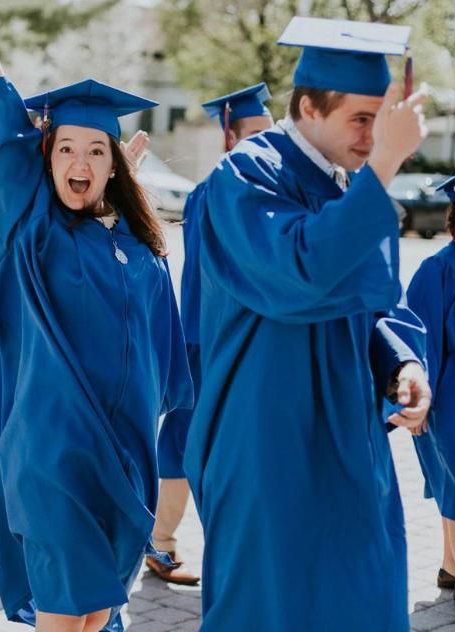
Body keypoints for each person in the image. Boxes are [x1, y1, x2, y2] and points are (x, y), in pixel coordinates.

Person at [0, 0, 193, 632]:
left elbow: (165, 367)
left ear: (115, 165)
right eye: (66, 148)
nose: (79, 161)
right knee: (62, 620)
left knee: (94, 620)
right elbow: (1, 105)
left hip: (123, 463)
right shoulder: (32, 237)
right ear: (44, 160)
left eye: (96, 150)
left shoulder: (140, 251)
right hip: (52, 458)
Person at [184, 16, 432, 631]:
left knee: (362, 597)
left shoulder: (342, 185)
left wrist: (398, 361)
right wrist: (383, 171)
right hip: (267, 439)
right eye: (361, 119)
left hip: (345, 438)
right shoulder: (245, 176)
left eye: (382, 120)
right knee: (272, 607)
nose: (375, 138)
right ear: (308, 107)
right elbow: (301, 273)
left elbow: (363, 308)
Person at [149, 83, 273, 586]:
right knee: (185, 438)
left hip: (236, 341)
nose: (267, 145)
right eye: (255, 135)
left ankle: (171, 543)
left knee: (213, 442)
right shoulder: (214, 193)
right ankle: (162, 543)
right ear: (230, 137)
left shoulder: (260, 193)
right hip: (208, 337)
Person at [407, 175, 455, 596]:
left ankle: (450, 566)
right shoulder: (437, 270)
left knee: (452, 483)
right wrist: (419, 401)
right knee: (453, 479)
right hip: (450, 395)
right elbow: (419, 342)